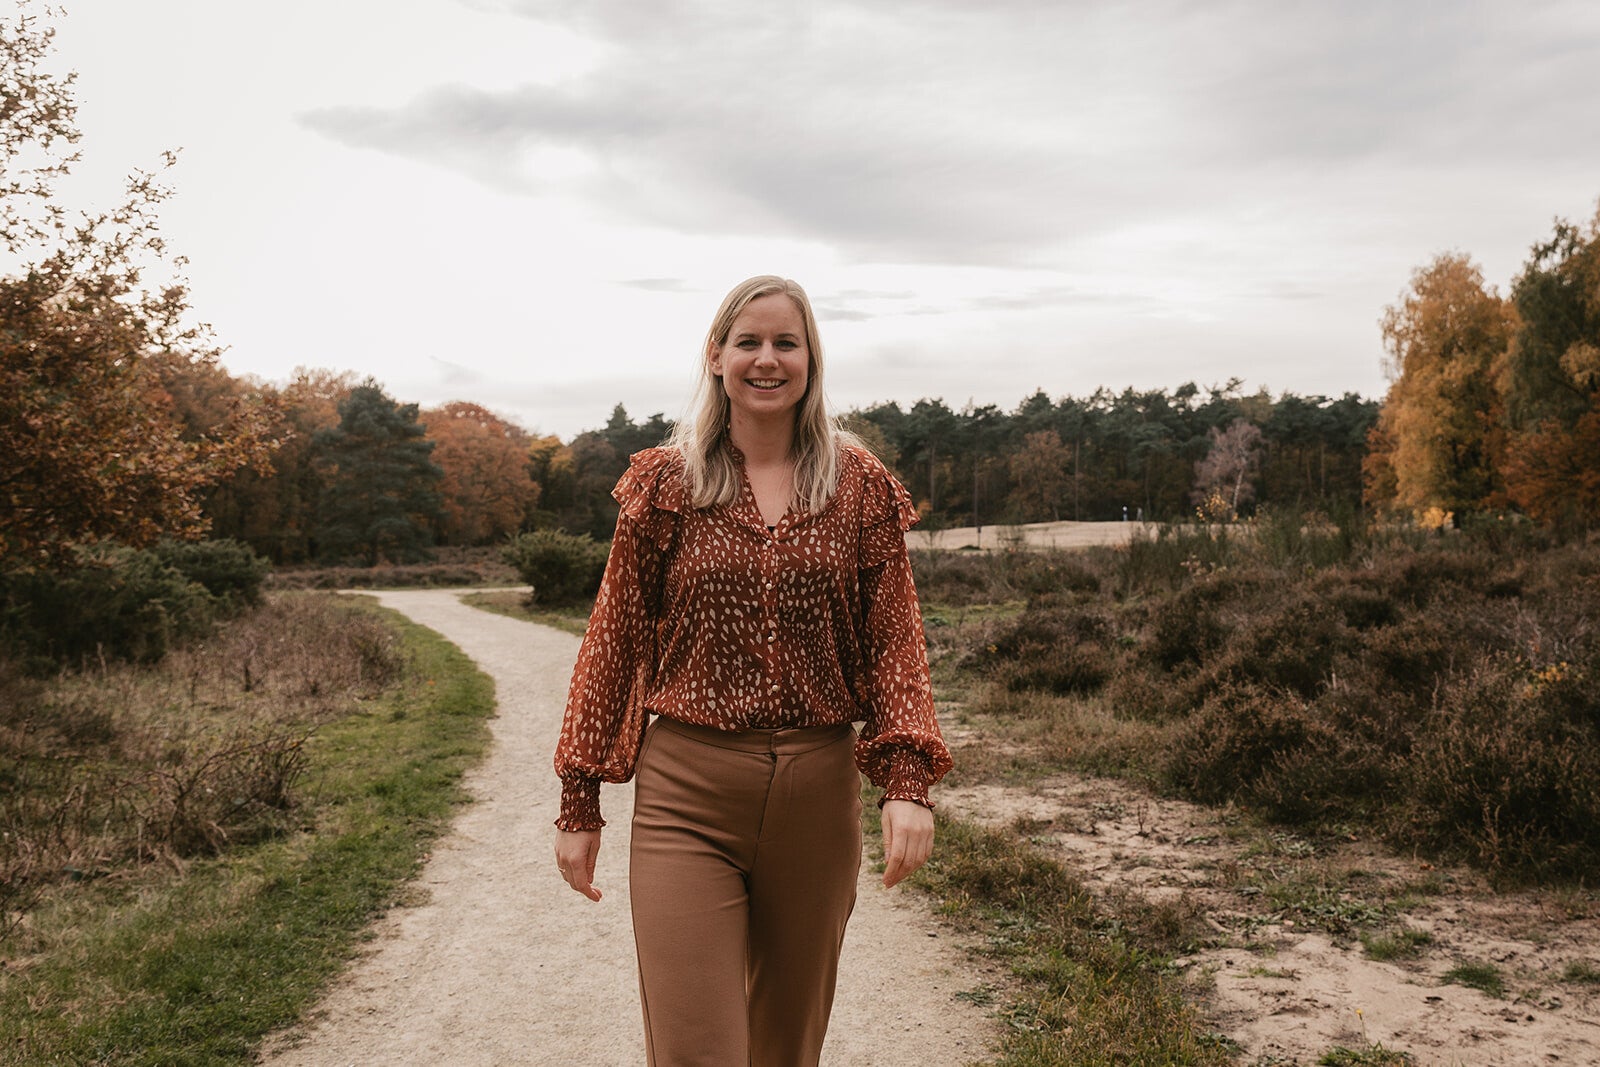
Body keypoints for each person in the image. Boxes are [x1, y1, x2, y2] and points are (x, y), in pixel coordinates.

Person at [552, 275, 953, 1066]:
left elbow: (896, 641)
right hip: (688, 795)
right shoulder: (665, 484)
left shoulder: (859, 485)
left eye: (785, 343)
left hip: (817, 795)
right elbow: (614, 640)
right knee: (697, 1049)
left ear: (811, 359)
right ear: (716, 356)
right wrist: (579, 798)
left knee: (785, 1050)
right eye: (749, 342)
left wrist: (907, 782)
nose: (767, 359)